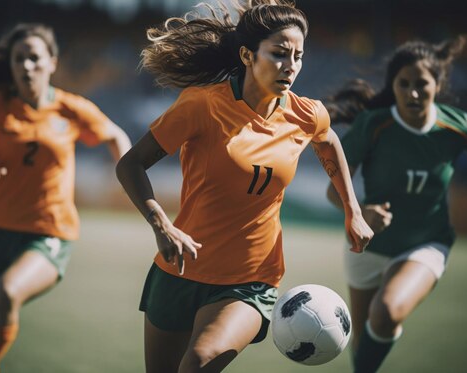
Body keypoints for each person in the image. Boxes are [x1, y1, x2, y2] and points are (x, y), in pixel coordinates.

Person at [115, 1, 373, 372]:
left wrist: (354, 211)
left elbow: (328, 141)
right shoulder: (201, 106)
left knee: (199, 362)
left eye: (298, 56)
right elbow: (131, 165)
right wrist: (162, 224)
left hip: (251, 279)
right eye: (280, 54)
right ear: (247, 55)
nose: (291, 66)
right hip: (179, 270)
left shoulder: (307, 114)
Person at [324, 35, 467, 373]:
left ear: (438, 83)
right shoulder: (373, 125)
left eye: (422, 84)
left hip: (426, 242)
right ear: (393, 86)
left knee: (385, 313)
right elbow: (334, 192)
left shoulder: (458, 126)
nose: (413, 92)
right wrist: (359, 213)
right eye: (404, 84)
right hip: (367, 245)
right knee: (364, 347)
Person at [0, 23, 131, 373]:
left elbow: (115, 135)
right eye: (19, 59)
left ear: (52, 62)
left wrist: (128, 173)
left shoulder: (70, 108)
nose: (26, 66)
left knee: (5, 295)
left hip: (47, 233)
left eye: (34, 58)